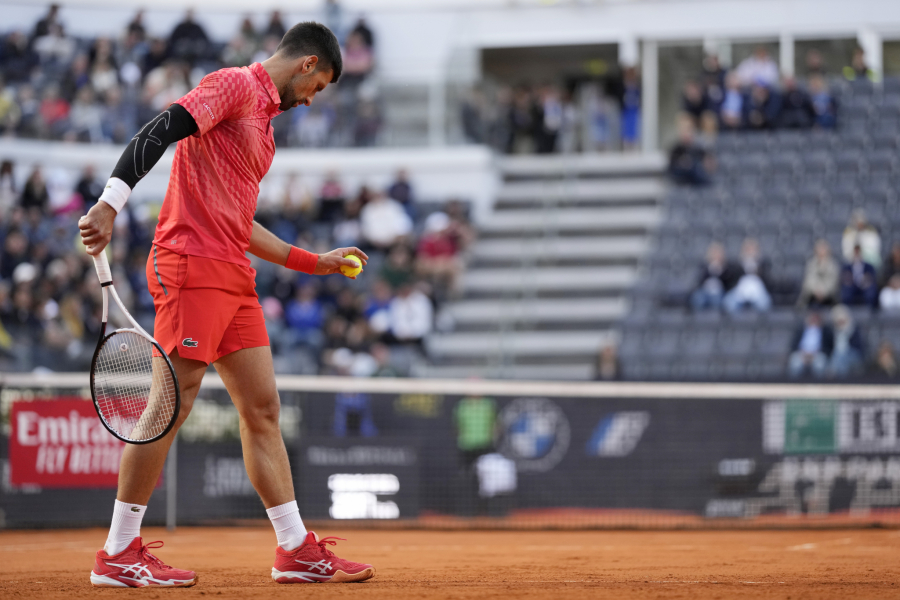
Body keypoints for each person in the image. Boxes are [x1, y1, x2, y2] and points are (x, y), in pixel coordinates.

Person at [77, 21, 375, 587]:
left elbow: (239, 222)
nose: (312, 100)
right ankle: (118, 552)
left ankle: (295, 549)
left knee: (262, 408)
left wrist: (315, 261)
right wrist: (110, 203)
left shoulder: (263, 125)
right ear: (307, 64)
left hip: (233, 274)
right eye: (318, 87)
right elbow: (162, 127)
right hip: (191, 265)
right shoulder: (235, 85)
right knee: (172, 403)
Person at [723, 237, 772, 313]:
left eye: (753, 249)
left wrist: (756, 268)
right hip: (740, 292)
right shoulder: (737, 265)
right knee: (729, 303)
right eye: (748, 249)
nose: (750, 252)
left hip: (758, 292)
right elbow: (732, 279)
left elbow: (767, 280)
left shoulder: (763, 264)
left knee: (764, 304)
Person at [690, 241, 741, 311]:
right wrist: (710, 270)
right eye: (714, 253)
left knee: (717, 299)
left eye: (718, 253)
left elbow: (729, 283)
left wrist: (721, 271)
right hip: (705, 291)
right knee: (698, 298)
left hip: (721, 292)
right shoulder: (703, 266)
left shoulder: (727, 267)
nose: (716, 255)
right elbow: (699, 281)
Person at [788, 312, 833, 379]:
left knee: (820, 364)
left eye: (816, 319)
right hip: (802, 354)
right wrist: (802, 353)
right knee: (795, 362)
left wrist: (815, 353)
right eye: (812, 319)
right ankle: (794, 383)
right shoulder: (801, 330)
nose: (814, 321)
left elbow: (829, 347)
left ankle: (819, 383)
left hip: (817, 354)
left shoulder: (825, 331)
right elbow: (793, 345)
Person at [797, 239, 840, 308]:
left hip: (828, 296)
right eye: (820, 249)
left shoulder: (833, 265)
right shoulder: (811, 263)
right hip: (813, 295)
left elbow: (833, 282)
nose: (822, 251)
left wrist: (823, 291)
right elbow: (809, 280)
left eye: (823, 249)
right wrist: (816, 290)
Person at [829, 304, 865, 378]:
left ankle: (841, 379)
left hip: (853, 355)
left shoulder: (854, 330)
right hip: (837, 356)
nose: (840, 322)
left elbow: (858, 347)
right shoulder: (834, 331)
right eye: (839, 321)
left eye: (842, 320)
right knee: (837, 356)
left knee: (841, 356)